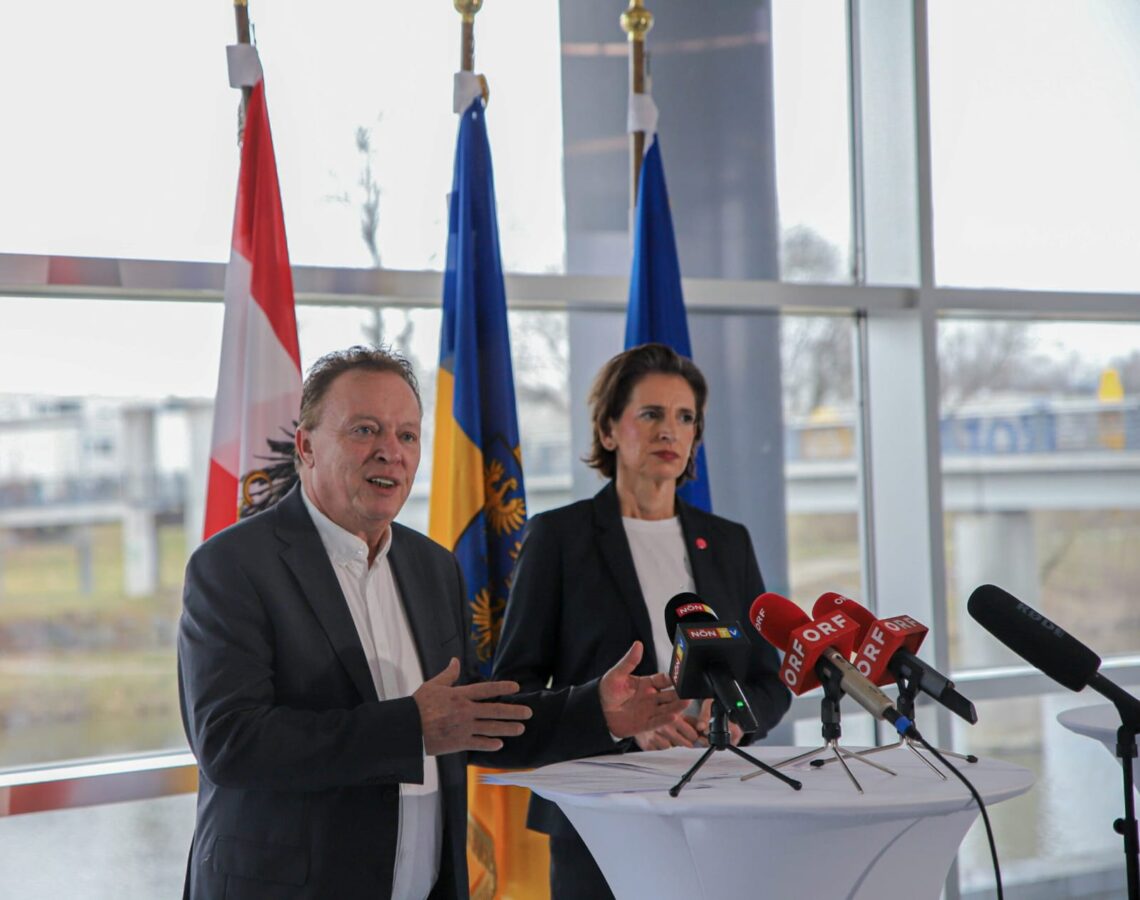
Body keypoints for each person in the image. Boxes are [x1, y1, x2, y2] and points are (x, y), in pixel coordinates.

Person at [177, 345, 687, 900]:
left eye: (407, 436)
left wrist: (599, 711)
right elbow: (230, 743)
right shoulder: (232, 565)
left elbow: (470, 720)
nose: (389, 453)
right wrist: (413, 729)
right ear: (306, 446)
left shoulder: (432, 566)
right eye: (365, 430)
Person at [493, 342, 792, 900]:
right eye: (650, 414)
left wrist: (731, 720)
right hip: (601, 819)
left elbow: (768, 683)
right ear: (608, 431)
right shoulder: (558, 539)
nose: (669, 432)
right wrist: (620, 721)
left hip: (717, 810)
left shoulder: (728, 542)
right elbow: (518, 691)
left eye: (685, 419)